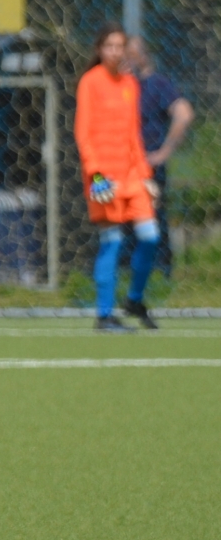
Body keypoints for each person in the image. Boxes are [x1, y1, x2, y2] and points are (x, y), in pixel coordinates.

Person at [75, 23, 160, 331]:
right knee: (112, 241)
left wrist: (145, 175)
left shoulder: (130, 84)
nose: (114, 51)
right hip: (104, 178)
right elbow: (83, 133)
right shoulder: (90, 82)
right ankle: (104, 315)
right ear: (100, 50)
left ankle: (134, 299)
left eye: (119, 46)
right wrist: (96, 175)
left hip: (133, 176)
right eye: (109, 46)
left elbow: (133, 134)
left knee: (150, 236)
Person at [128, 35, 195, 278]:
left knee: (152, 218)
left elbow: (184, 114)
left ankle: (160, 273)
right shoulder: (123, 86)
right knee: (122, 220)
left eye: (132, 55)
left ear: (144, 56)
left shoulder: (156, 84)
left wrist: (164, 152)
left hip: (148, 166)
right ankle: (128, 274)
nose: (127, 60)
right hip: (122, 165)